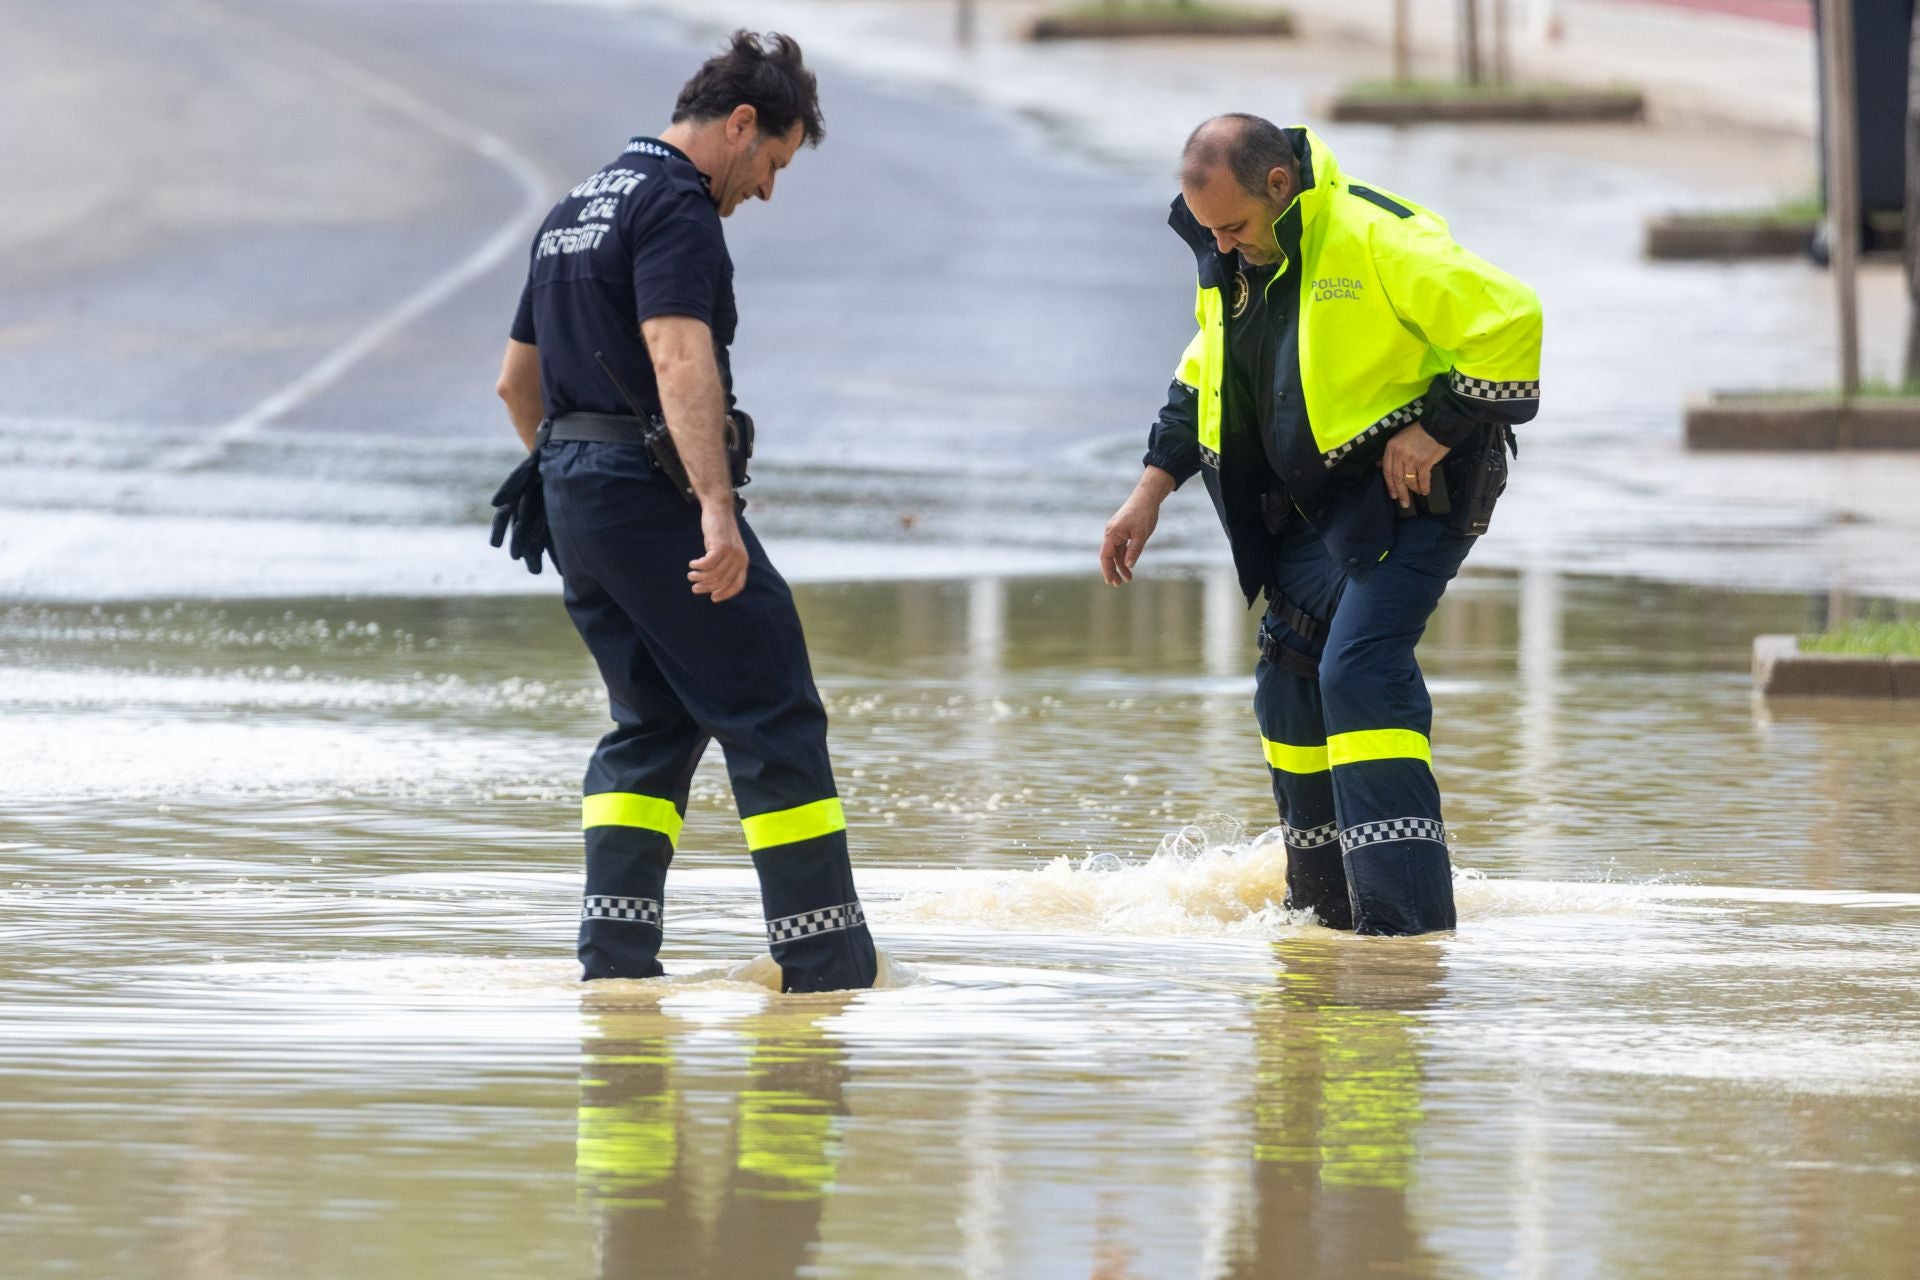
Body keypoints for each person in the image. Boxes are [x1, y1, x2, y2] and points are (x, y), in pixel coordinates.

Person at [492, 31, 876, 991]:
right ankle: (825, 967)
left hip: (577, 492)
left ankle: (615, 966)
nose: (768, 189)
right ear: (741, 124)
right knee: (772, 706)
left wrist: (561, 469)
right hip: (647, 490)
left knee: (653, 719)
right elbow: (676, 356)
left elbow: (513, 385)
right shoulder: (675, 206)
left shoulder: (575, 205)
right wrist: (713, 507)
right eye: (774, 162)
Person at [1100, 116, 1542, 936]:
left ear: (1279, 186)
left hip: (1419, 496)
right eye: (1209, 233)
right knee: (1291, 682)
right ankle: (1325, 918)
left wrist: (1439, 425)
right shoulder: (1233, 257)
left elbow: (1510, 320)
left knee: (1359, 671)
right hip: (1315, 508)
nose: (1223, 247)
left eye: (1231, 228)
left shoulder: (1374, 235)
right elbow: (1207, 373)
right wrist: (1150, 490)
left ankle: (1404, 932)